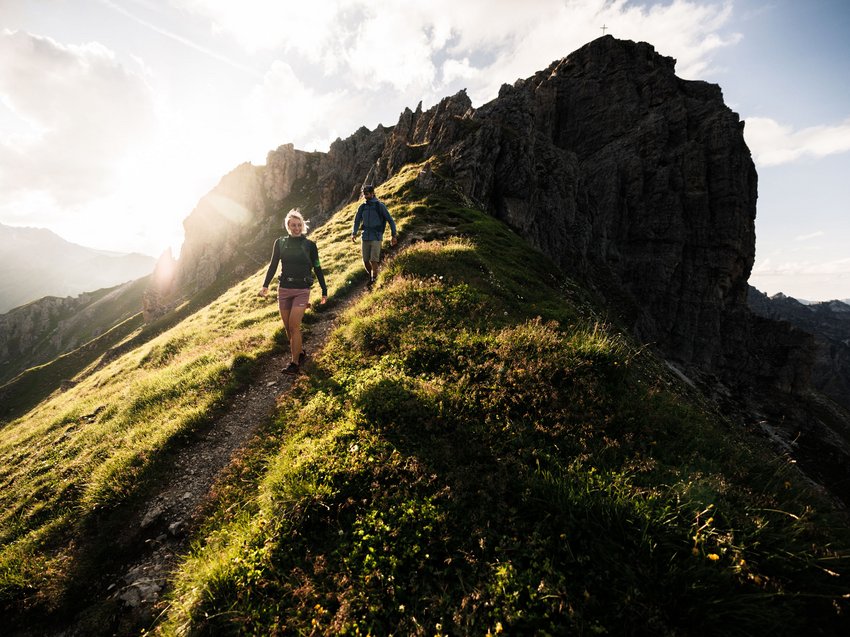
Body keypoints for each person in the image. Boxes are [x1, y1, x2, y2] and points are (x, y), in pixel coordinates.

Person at [260, 209, 327, 375]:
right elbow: (273, 265)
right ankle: (301, 352)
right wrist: (265, 285)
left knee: (294, 326)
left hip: (302, 290)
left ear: (303, 226)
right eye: (293, 225)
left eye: (299, 225)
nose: (296, 228)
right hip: (283, 290)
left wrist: (324, 290)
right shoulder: (280, 243)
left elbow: (317, 267)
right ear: (288, 226)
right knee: (288, 329)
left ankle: (294, 363)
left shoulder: (310, 245)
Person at [351, 184, 397, 288]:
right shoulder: (362, 207)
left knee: (373, 259)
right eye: (364, 194)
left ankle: (374, 279)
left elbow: (390, 220)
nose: (365, 196)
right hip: (365, 236)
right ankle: (372, 275)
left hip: (376, 236)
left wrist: (393, 235)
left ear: (372, 193)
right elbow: (357, 220)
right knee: (365, 260)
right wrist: (354, 233)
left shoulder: (379, 206)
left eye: (367, 194)